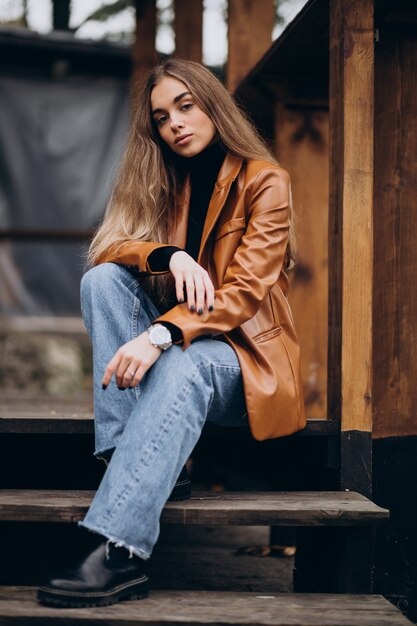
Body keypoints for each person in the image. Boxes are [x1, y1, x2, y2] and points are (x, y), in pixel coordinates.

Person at [37, 59, 306, 608]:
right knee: (103, 282)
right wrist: (169, 254)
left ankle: (120, 551)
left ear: (214, 105)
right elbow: (110, 249)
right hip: (178, 347)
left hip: (242, 363)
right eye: (162, 117)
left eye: (187, 106)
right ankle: (127, 459)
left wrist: (159, 335)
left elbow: (243, 294)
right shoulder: (162, 178)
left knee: (187, 360)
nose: (175, 124)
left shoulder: (265, 181)